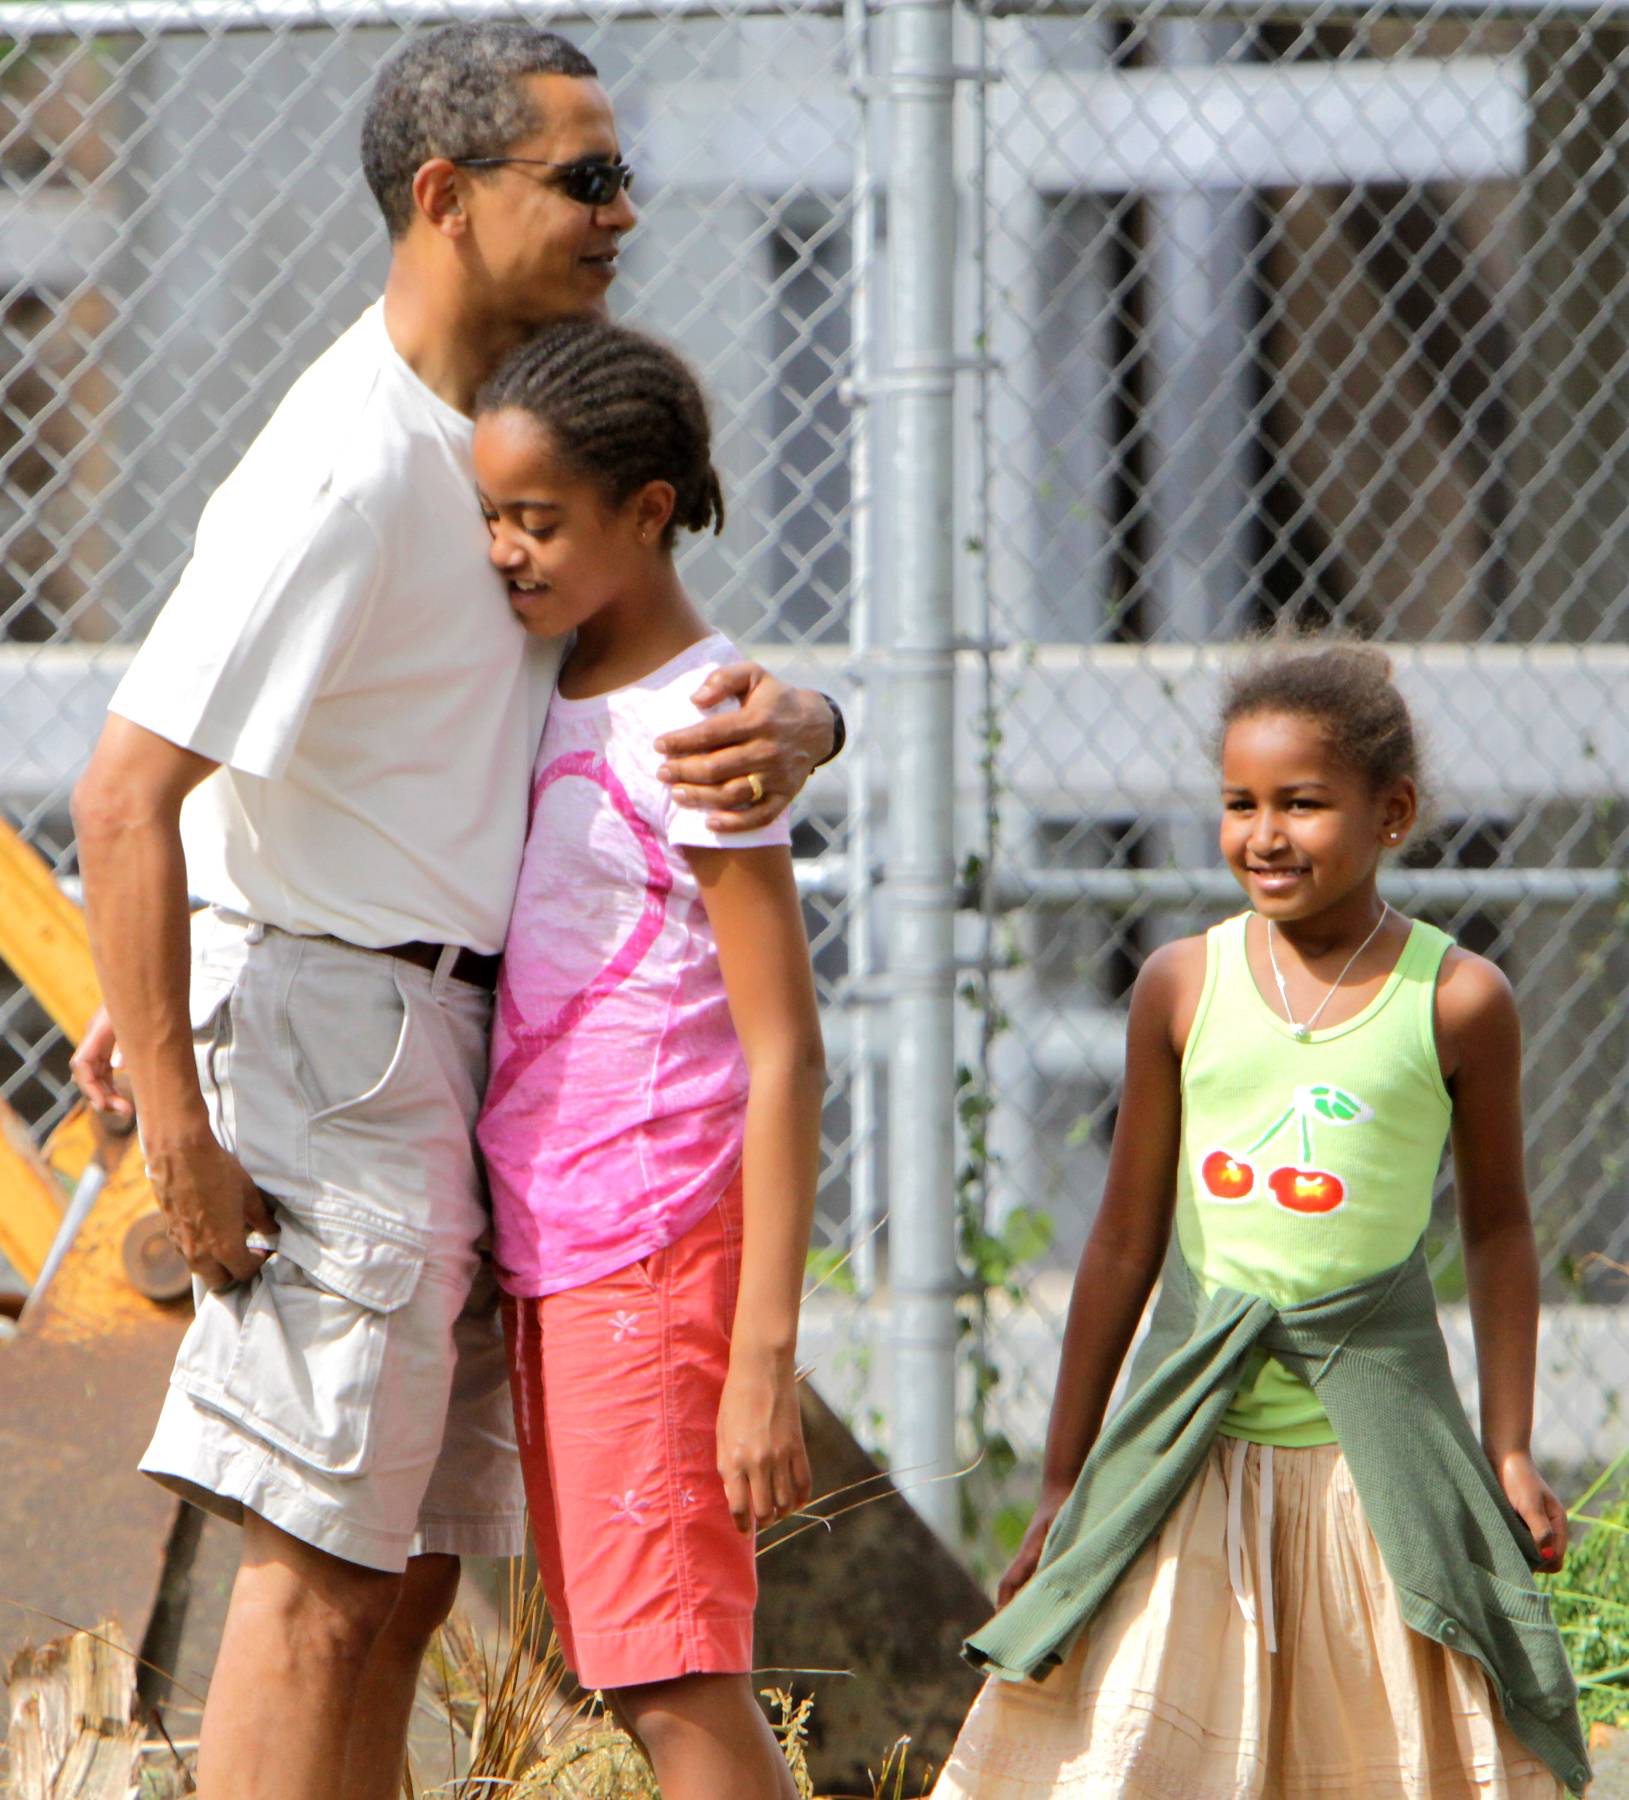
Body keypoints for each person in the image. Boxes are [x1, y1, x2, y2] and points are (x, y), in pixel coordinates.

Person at [68, 25, 842, 1800]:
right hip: (339, 1054)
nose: (624, 211)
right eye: (582, 178)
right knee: (321, 1578)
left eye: (620, 173)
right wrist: (187, 1126)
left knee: (406, 1581)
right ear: (444, 195)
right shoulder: (342, 464)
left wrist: (807, 720)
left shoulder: (509, 453)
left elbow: (647, 657)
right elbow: (128, 790)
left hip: (473, 1059)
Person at [931, 640, 1591, 1800]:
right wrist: (1062, 1482)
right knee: (1130, 1745)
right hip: (1195, 1449)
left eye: (1303, 803)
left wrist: (1511, 1447)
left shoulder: (1458, 999)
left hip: (1367, 1464)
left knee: (1384, 1754)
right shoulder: (1182, 984)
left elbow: (1498, 1232)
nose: (1264, 834)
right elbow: (1125, 1241)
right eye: (1240, 804)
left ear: (1392, 813)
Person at [471, 315, 822, 1800]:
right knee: (630, 1658)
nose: (506, 552)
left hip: (659, 1248)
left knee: (674, 1672)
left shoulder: (703, 725)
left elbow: (787, 1050)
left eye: (538, 520)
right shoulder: (544, 683)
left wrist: (760, 1362)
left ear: (649, 511)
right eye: (489, 518)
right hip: (565, 1250)